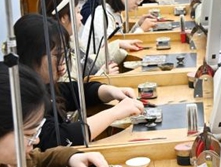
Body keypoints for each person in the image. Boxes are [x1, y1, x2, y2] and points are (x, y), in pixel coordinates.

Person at [14, 14, 145, 150]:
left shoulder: (44, 86)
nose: (63, 60)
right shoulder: (25, 97)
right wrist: (115, 112)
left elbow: (75, 91)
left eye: (65, 53)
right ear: (32, 55)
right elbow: (58, 138)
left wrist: (111, 91)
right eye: (57, 55)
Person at [40, 0, 144, 79]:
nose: (81, 17)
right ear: (63, 18)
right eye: (77, 12)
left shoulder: (70, 40)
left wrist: (118, 45)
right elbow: (72, 90)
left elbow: (88, 62)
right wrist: (101, 76)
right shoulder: (57, 54)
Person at [80, 0, 157, 55]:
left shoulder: (115, 13)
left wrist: (138, 25)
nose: (138, 3)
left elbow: (121, 42)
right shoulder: (102, 15)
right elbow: (112, 51)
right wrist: (141, 29)